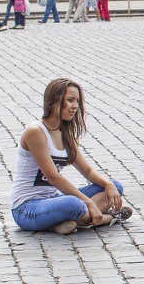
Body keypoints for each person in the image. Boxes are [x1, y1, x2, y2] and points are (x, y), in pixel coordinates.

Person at [10, 78, 132, 235]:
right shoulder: (35, 132)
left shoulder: (65, 134)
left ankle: (65, 222)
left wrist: (108, 184)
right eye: (70, 100)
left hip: (52, 200)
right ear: (54, 100)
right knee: (73, 204)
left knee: (115, 187)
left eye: (77, 101)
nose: (75, 106)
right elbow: (53, 177)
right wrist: (89, 202)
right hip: (26, 208)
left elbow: (87, 171)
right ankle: (107, 218)